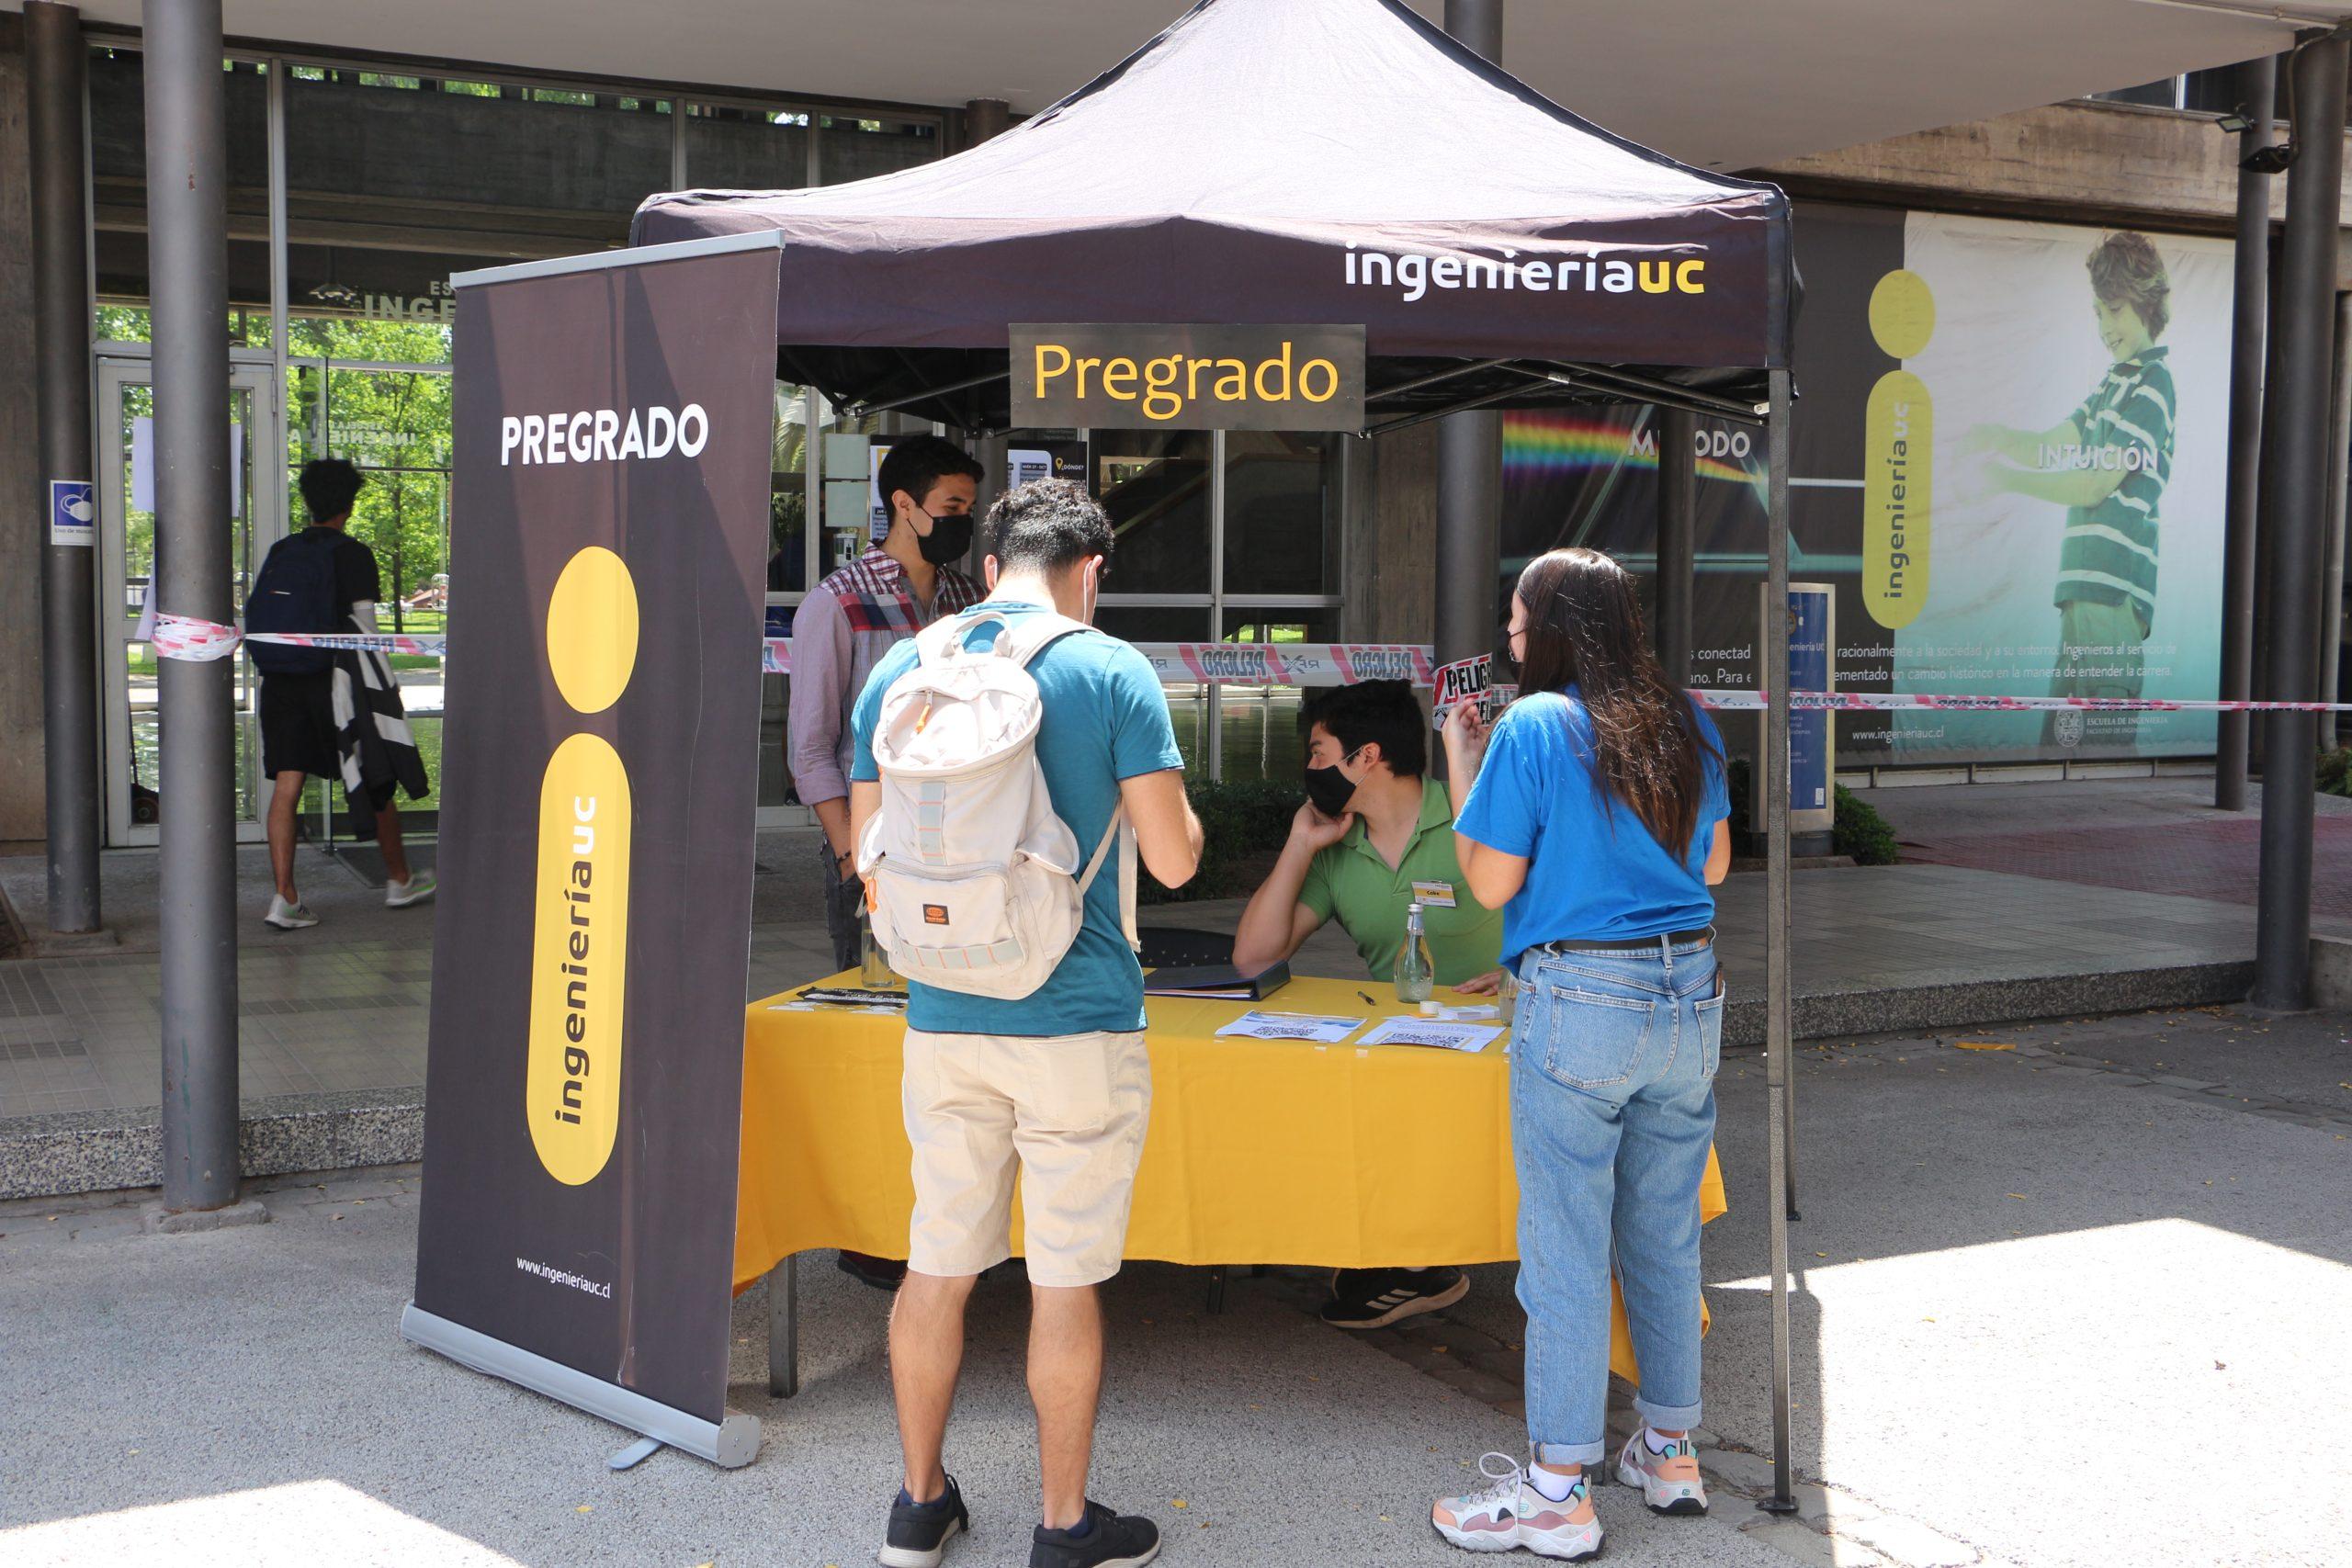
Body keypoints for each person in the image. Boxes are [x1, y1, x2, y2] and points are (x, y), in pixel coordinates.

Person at [848, 478, 1202, 1568]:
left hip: (943, 1011)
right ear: (1090, 570)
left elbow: (867, 861)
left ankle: (918, 1509)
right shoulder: (1110, 669)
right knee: (1063, 1278)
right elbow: (1173, 860)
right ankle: (1062, 1526)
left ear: (992, 563)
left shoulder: (902, 669)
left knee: (938, 1263)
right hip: (1077, 1019)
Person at [1426, 547, 1731, 1562]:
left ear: (1549, 629)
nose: (1510, 644)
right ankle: (1669, 1451)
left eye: (1516, 627)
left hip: (1582, 995)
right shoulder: (1683, 716)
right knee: (1664, 1232)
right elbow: (1715, 862)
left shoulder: (1534, 725)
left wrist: (1461, 757)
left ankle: (1557, 1490)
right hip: (1690, 991)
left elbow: (1488, 883)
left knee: (1563, 1247)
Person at [1231, 677, 1505, 1330]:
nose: (1310, 768)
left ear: (1367, 757)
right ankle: (1404, 1253)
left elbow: (1557, 894)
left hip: (1500, 1044)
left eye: (1319, 752)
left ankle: (1417, 1255)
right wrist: (1300, 844)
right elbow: (1253, 959)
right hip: (1407, 1052)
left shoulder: (1470, 806)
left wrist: (1526, 966)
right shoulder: (1339, 846)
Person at [788, 434, 985, 1293]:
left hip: (967, 859)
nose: (965, 522)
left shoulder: (972, 599)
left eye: (969, 507)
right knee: (878, 1051)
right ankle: (873, 1233)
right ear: (902, 504)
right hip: (874, 862)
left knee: (954, 1050)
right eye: (951, 507)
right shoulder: (836, 604)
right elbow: (811, 750)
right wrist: (852, 859)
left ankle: (948, 1223)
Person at [1959, 231, 2175, 753]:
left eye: (2114, 311)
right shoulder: (2110, 386)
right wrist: (1997, 437)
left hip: (2112, 596)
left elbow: (2094, 484)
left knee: (2098, 755)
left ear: (2145, 304)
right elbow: (2052, 446)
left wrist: (2006, 479)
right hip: (2081, 597)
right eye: (2098, 313)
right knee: (2056, 756)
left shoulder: (2153, 384)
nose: (2104, 327)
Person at [258, 458, 435, 931]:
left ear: (308, 501)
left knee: (287, 786)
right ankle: (400, 880)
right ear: (349, 505)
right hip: (336, 682)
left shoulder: (282, 551)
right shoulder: (353, 554)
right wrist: (385, 689)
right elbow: (365, 632)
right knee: (376, 774)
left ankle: (285, 898)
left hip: (282, 680)